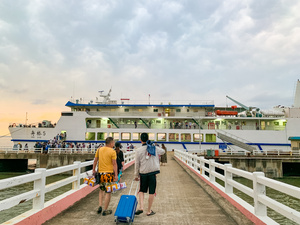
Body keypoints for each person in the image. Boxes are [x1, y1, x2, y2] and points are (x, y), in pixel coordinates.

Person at [134, 133, 165, 216]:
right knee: (151, 191)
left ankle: (141, 207)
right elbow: (163, 151)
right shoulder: (153, 148)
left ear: (140, 140)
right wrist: (153, 145)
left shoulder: (138, 150)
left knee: (141, 190)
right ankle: (148, 211)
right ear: (148, 139)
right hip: (152, 173)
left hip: (143, 173)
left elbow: (137, 164)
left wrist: (136, 175)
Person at [92, 137, 118, 216]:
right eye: (113, 143)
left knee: (101, 190)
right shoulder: (112, 151)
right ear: (110, 143)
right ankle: (105, 210)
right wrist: (116, 175)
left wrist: (93, 170)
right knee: (108, 192)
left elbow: (95, 160)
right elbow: (114, 164)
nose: (113, 144)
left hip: (100, 173)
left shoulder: (99, 150)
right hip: (109, 173)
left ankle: (100, 206)